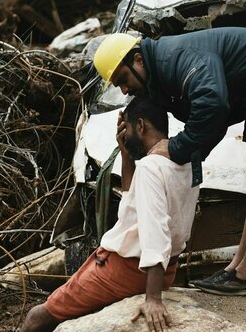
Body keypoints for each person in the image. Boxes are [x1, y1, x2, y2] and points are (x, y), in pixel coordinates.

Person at [92, 27, 246, 297]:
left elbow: (213, 105)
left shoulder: (175, 59)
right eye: (117, 86)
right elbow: (210, 120)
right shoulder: (160, 73)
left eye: (123, 78)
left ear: (138, 59)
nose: (124, 89)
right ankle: (235, 270)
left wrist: (178, 148)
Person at [20, 95, 200, 332]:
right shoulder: (186, 162)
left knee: (37, 317)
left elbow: (156, 233)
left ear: (141, 126)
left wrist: (153, 299)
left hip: (125, 269)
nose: (125, 136)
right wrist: (126, 156)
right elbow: (133, 205)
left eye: (127, 129)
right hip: (167, 269)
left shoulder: (150, 167)